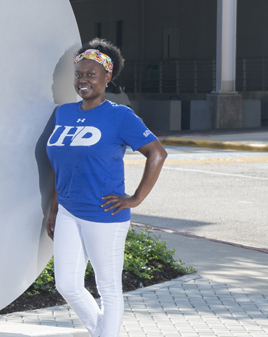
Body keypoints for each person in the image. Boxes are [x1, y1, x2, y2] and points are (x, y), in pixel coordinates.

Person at [43, 38, 166, 337]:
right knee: (67, 284)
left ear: (107, 77)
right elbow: (64, 163)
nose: (83, 80)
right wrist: (54, 206)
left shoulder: (119, 116)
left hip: (104, 213)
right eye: (79, 74)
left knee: (108, 288)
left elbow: (157, 153)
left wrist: (135, 199)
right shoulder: (64, 113)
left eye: (91, 74)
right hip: (69, 210)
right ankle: (101, 332)